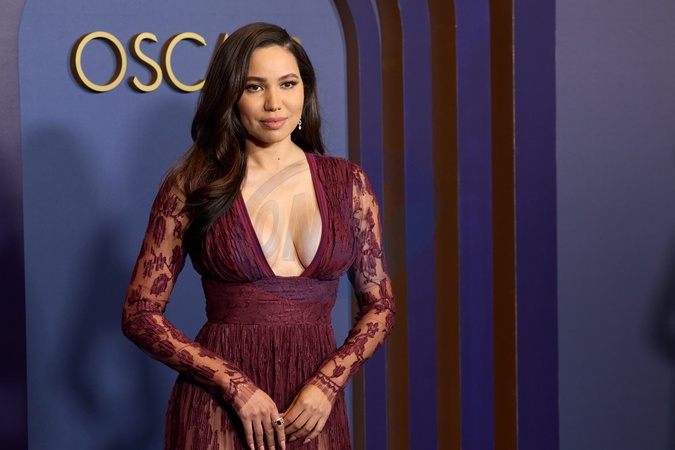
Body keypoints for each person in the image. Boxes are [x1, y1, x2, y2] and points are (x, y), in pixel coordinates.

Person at [122, 22, 395, 450]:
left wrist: (328, 383)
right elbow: (139, 314)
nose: (274, 103)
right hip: (220, 406)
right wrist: (234, 385)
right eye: (254, 87)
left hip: (312, 407)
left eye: (287, 83)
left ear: (305, 89)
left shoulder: (348, 183)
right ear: (231, 95)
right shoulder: (193, 184)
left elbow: (380, 305)